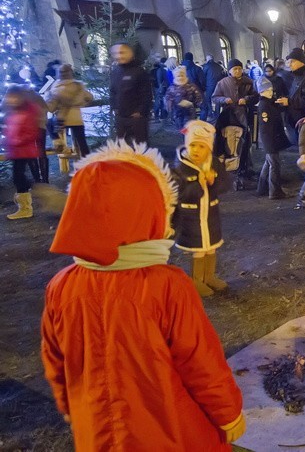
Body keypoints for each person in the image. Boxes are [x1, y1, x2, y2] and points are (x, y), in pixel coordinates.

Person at [41, 140, 245, 450]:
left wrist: (68, 403)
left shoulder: (61, 286)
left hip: (98, 430)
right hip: (170, 432)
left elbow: (55, 359)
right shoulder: (166, 285)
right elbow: (200, 361)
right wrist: (228, 414)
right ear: (150, 212)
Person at [172, 120, 232, 295]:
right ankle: (196, 281)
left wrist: (214, 181)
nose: (196, 150)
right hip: (191, 219)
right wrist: (198, 185)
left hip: (210, 216)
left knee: (210, 246)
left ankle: (209, 277)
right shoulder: (181, 168)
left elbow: (226, 183)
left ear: (209, 148)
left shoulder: (213, 163)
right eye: (192, 145)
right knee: (198, 249)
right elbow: (178, 193)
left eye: (201, 146)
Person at [212, 59, 259, 177]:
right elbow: (214, 97)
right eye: (235, 69)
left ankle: (246, 166)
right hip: (228, 116)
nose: (237, 71)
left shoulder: (249, 82)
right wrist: (224, 100)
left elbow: (256, 97)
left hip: (244, 115)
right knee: (230, 141)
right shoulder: (222, 83)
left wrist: (247, 99)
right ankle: (230, 165)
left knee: (246, 141)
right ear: (230, 71)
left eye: (239, 68)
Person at [2, 86, 41, 219]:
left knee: (19, 177)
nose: (11, 100)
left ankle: (25, 207)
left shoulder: (27, 112)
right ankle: (27, 200)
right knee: (19, 177)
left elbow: (31, 133)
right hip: (16, 150)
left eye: (14, 97)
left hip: (23, 150)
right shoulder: (14, 112)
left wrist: (15, 141)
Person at [44, 64, 92, 157]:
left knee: (48, 123)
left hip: (62, 119)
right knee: (82, 143)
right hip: (77, 119)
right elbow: (89, 97)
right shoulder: (78, 85)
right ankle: (89, 164)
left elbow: (51, 107)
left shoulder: (56, 88)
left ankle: (59, 144)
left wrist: (47, 96)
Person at [255, 76, 291, 199]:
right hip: (270, 141)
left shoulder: (270, 103)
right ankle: (275, 191)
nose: (270, 92)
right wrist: (270, 144)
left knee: (268, 163)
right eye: (267, 90)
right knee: (274, 165)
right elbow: (266, 128)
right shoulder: (265, 105)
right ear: (261, 92)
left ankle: (262, 187)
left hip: (271, 140)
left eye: (270, 90)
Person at [109, 42, 152, 144]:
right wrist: (115, 108)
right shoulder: (115, 72)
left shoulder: (139, 72)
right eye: (115, 53)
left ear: (130, 53)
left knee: (140, 146)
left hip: (137, 118)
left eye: (122, 52)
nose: (119, 56)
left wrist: (140, 111)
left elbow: (146, 93)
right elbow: (113, 92)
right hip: (121, 117)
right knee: (121, 146)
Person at [202, 54, 226, 120]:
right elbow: (223, 75)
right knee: (217, 99)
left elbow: (203, 76)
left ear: (208, 59)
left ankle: (210, 112)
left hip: (209, 85)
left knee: (208, 99)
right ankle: (217, 113)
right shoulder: (218, 66)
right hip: (218, 85)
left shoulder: (206, 66)